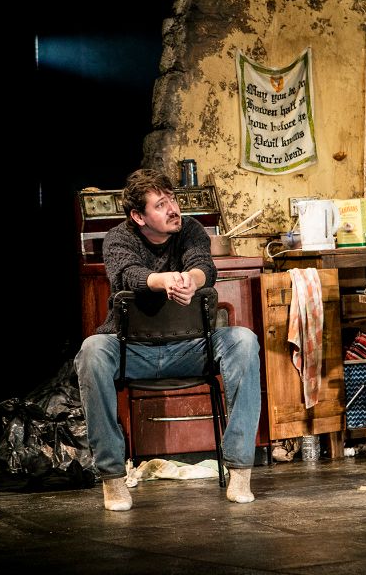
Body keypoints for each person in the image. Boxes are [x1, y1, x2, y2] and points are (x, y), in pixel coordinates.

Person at [75, 168, 261, 511]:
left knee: (244, 341)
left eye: (172, 199)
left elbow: (204, 265)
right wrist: (163, 281)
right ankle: (113, 477)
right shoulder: (118, 238)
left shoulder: (189, 229)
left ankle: (239, 471)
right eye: (160, 205)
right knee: (92, 350)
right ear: (138, 216)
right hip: (133, 352)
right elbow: (127, 275)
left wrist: (191, 279)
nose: (173, 209)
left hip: (190, 349)